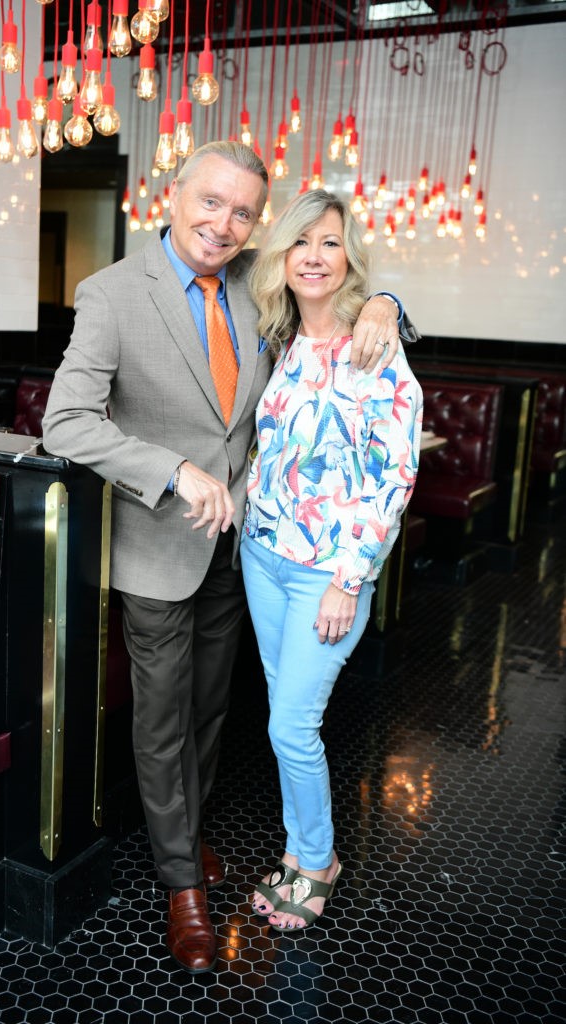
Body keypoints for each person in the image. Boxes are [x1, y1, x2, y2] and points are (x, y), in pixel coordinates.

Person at [42, 141, 413, 974]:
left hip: (243, 548)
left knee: (212, 705)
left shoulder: (258, 284)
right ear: (169, 195)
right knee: (162, 715)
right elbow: (65, 422)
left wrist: (385, 299)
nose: (225, 223)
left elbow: (332, 276)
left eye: (243, 212)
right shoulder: (110, 294)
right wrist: (170, 471)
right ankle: (181, 884)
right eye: (211, 202)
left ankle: (189, 830)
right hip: (154, 543)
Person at [242, 189, 423, 934]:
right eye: (300, 242)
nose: (313, 256)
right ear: (281, 257)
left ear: (348, 257)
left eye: (329, 242)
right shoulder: (282, 339)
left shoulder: (373, 342)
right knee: (290, 719)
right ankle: (298, 848)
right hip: (261, 555)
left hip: (327, 574)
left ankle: (316, 860)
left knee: (291, 726)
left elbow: (392, 473)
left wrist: (349, 578)